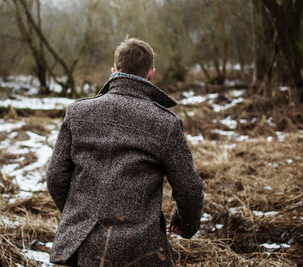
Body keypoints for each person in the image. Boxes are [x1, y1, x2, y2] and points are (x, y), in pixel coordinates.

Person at [46, 38, 203, 266]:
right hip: (142, 250)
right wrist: (186, 225)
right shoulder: (165, 123)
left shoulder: (77, 112)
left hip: (82, 245)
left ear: (114, 70)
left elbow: (55, 177)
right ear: (151, 73)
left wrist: (79, 216)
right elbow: (189, 188)